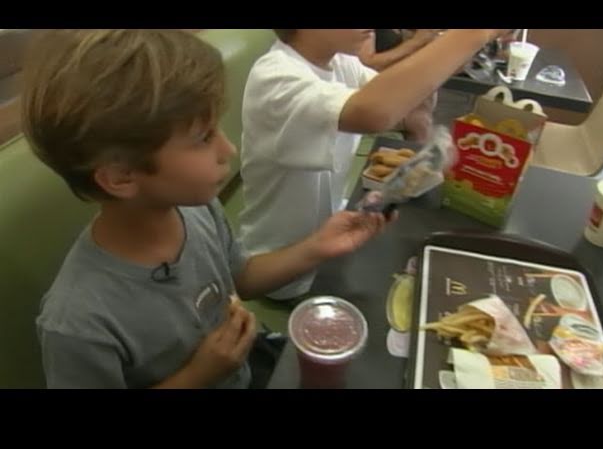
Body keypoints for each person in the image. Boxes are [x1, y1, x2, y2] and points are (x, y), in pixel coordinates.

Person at [23, 29, 393, 389]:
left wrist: (317, 247)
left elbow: (240, 277)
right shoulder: (78, 322)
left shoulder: (195, 211)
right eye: (203, 138)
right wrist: (199, 375)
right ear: (120, 177)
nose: (228, 149)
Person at [238, 29, 512, 301]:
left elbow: (401, 99)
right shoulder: (275, 77)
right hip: (280, 270)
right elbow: (372, 112)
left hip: (329, 239)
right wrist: (471, 35)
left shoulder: (341, 62)